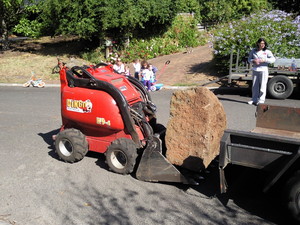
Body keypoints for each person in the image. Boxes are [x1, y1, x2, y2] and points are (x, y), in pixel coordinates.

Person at [247, 38, 275, 105]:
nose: (263, 45)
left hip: (263, 69)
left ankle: (261, 100)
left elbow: (273, 59)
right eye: (261, 43)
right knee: (254, 85)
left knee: (263, 85)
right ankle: (254, 99)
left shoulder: (267, 51)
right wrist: (253, 61)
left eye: (264, 43)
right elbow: (249, 59)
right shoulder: (253, 51)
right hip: (256, 69)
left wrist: (265, 60)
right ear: (258, 43)